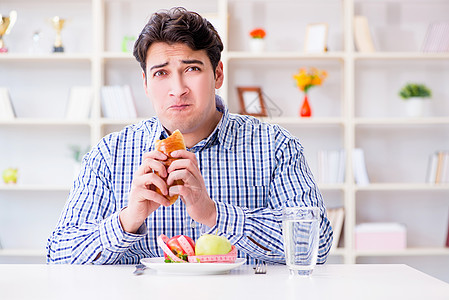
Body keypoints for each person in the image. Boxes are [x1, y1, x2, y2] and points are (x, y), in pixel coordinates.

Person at [47, 7, 333, 265]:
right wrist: (127, 220)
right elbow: (59, 254)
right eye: (161, 74)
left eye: (192, 69)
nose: (178, 88)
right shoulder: (110, 154)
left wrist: (214, 215)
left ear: (218, 74)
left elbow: (316, 243)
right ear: (146, 83)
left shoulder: (274, 146)